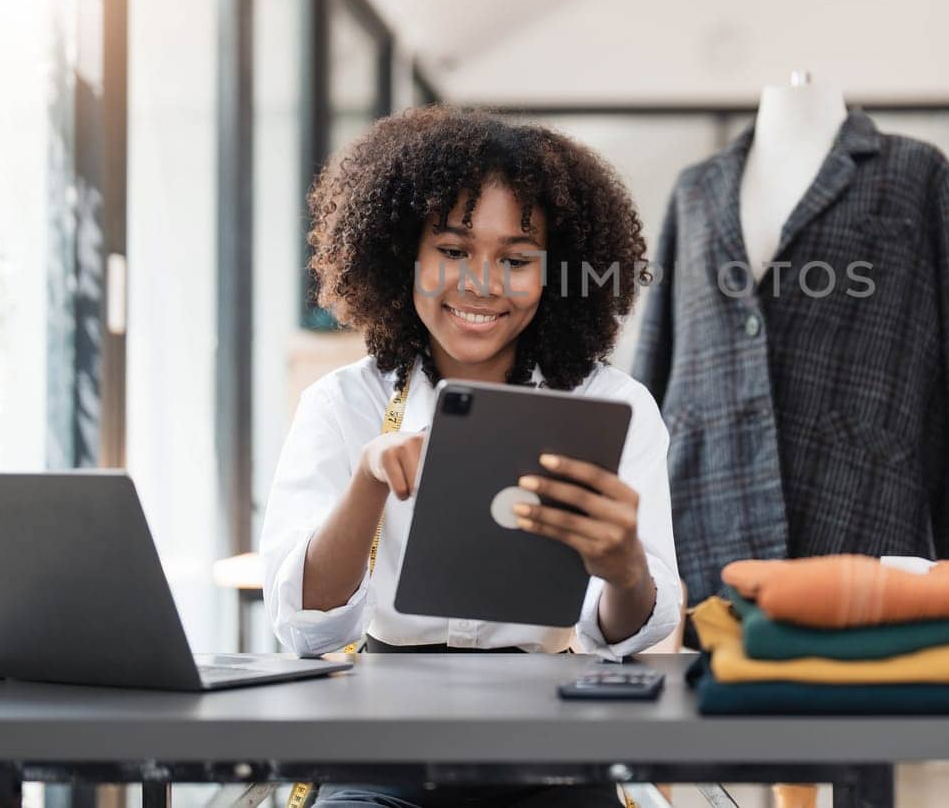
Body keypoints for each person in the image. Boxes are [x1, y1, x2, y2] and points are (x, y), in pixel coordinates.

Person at [260, 107, 680, 808]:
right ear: (404, 255)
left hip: (552, 740)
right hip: (383, 740)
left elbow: (634, 630)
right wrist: (367, 482)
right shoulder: (343, 404)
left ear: (555, 271)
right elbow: (308, 626)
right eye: (453, 250)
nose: (482, 283)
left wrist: (625, 567)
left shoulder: (616, 406)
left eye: (515, 259)